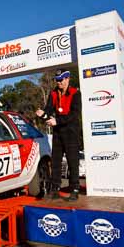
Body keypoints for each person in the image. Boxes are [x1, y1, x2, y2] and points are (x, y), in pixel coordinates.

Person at [36, 70, 82, 201]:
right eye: (57, 79)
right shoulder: (53, 93)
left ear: (68, 79)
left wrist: (58, 121)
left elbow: (75, 114)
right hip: (57, 131)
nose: (59, 82)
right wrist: (42, 114)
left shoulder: (75, 93)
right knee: (56, 162)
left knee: (73, 162)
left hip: (71, 131)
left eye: (61, 79)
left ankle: (74, 189)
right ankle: (55, 189)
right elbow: (49, 109)